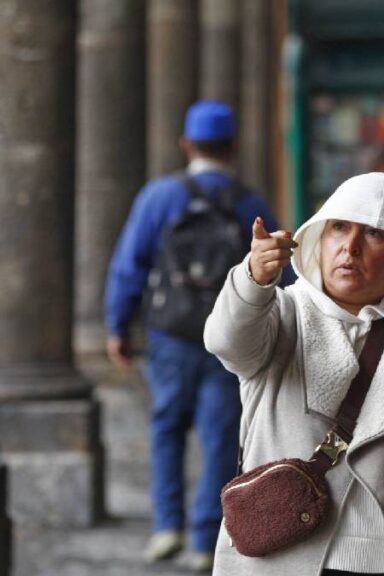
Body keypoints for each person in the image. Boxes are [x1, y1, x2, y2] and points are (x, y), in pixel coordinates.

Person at [204, 172, 384, 575]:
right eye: (339, 228)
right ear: (317, 240)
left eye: (375, 234)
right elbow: (226, 341)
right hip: (283, 559)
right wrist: (253, 279)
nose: (351, 247)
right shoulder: (283, 313)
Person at [104, 100, 288, 571]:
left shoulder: (158, 197)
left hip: (169, 335)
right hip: (226, 341)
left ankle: (166, 524)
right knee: (220, 435)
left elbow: (129, 265)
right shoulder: (249, 204)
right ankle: (205, 538)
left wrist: (117, 325)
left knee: (166, 426)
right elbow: (278, 277)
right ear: (233, 146)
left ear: (186, 144)